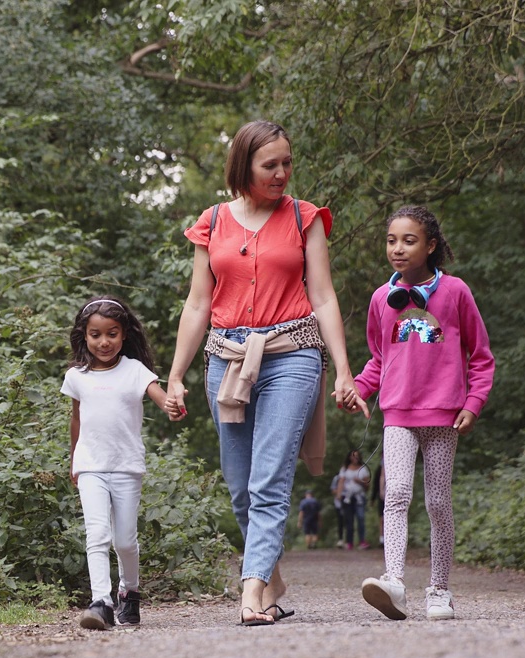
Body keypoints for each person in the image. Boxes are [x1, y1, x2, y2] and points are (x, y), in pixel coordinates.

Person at [165, 119, 369, 627]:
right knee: (239, 485)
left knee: (269, 479)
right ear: (243, 166)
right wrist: (174, 375)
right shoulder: (212, 221)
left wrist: (344, 368)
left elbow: (322, 295)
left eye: (287, 163)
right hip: (227, 359)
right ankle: (273, 581)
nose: (282, 173)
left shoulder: (305, 217)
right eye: (270, 165)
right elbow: (197, 304)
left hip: (292, 353)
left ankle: (251, 590)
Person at [353, 206, 495, 621]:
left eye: (409, 241)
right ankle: (393, 582)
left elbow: (481, 358)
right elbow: (379, 358)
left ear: (430, 245)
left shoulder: (455, 293)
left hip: (444, 416)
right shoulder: (382, 298)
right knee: (394, 494)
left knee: (437, 502)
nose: (398, 249)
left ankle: (439, 590)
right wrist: (358, 388)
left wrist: (473, 403)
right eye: (391, 240)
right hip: (397, 412)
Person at [62, 295, 182, 630]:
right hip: (90, 466)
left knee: (125, 541)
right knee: (97, 534)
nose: (104, 341)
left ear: (124, 334)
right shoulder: (77, 376)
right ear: (84, 336)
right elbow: (76, 419)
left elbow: (160, 397)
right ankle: (101, 602)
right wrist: (74, 459)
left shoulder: (134, 370)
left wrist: (172, 405)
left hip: (127, 466)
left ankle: (129, 593)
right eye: (96, 334)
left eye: (112, 333)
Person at [334, 449, 371, 549]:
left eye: (357, 456)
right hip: (347, 498)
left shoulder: (363, 469)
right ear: (349, 457)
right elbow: (341, 482)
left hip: (359, 497)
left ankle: (362, 541)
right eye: (353, 456)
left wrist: (360, 482)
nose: (355, 458)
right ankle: (349, 542)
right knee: (348, 520)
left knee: (361, 518)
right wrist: (338, 495)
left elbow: (368, 485)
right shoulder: (345, 469)